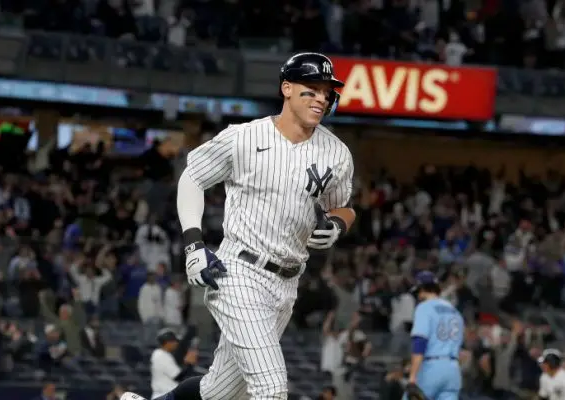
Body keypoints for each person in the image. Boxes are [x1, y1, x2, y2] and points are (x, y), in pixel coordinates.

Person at [124, 52, 356, 400]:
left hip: (287, 283)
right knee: (271, 388)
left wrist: (338, 224)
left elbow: (344, 206)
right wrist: (193, 245)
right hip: (239, 273)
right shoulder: (244, 137)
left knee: (219, 391)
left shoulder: (336, 153)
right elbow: (193, 178)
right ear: (287, 88)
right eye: (312, 89)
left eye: (327, 91)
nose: (322, 97)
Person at [406, 271, 464, 400]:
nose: (418, 296)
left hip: (431, 369)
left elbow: (420, 342)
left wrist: (412, 377)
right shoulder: (455, 312)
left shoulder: (424, 307)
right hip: (453, 370)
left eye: (418, 292)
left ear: (422, 289)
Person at [149, 329, 187, 399]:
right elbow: (178, 377)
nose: (176, 343)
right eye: (174, 341)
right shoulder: (160, 355)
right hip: (164, 395)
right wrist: (189, 364)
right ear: (168, 342)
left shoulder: (163, 354)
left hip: (164, 395)